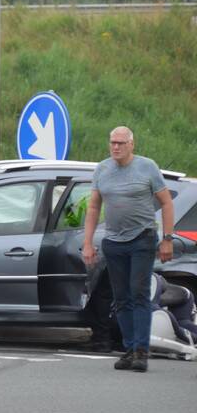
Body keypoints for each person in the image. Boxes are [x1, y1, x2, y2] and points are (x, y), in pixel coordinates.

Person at [82, 126, 174, 373]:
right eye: (112, 142)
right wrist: (88, 243)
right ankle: (130, 348)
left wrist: (167, 239)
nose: (116, 147)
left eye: (121, 143)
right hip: (113, 242)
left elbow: (166, 202)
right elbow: (93, 208)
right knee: (120, 298)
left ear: (132, 144)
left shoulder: (147, 167)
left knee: (139, 294)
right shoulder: (102, 169)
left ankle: (142, 351)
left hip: (142, 239)